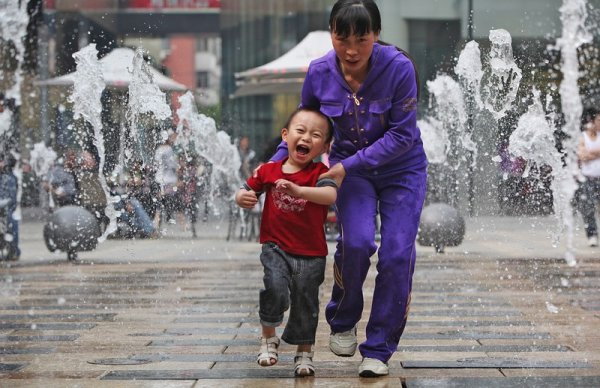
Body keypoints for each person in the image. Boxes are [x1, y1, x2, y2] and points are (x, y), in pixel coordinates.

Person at [270, 0, 427, 377]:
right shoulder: (320, 71)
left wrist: (343, 167)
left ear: (376, 34)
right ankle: (343, 316)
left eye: (362, 38)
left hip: (401, 170)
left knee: (396, 254)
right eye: (342, 38)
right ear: (331, 33)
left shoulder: (399, 69)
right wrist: (272, 170)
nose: (352, 49)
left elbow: (402, 135)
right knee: (355, 244)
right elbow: (304, 126)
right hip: (351, 174)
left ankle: (379, 347)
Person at [235, 107, 337, 377]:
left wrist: (299, 190)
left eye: (316, 135)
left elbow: (329, 196)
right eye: (300, 131)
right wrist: (241, 197)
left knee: (306, 301)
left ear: (325, 146)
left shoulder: (321, 173)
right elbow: (247, 189)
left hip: (312, 252)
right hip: (275, 246)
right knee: (274, 287)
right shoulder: (269, 170)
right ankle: (268, 338)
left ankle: (304, 351)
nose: (306, 138)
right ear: (286, 136)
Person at [576, 107, 600, 247]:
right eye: (599, 120)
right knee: (589, 207)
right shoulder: (582, 136)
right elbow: (582, 156)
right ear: (591, 121)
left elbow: (587, 154)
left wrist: (590, 153)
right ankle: (592, 234)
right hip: (588, 178)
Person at [0, 154, 20, 261]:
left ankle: (14, 250)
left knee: (12, 222)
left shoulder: (9, 177)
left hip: (6, 209)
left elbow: (11, 197)